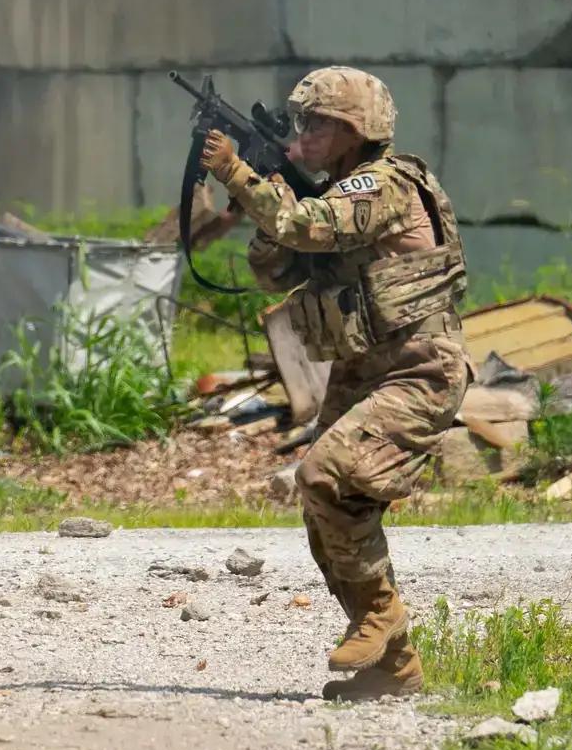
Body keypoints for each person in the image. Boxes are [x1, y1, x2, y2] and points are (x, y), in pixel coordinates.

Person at [198, 68, 470, 702]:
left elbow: (310, 226)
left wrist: (238, 173)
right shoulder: (332, 194)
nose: (305, 135)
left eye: (318, 123)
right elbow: (276, 270)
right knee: (327, 511)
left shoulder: (385, 183)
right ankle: (395, 665)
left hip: (419, 367)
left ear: (356, 128)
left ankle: (380, 618)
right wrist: (265, 206)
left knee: (324, 475)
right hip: (361, 368)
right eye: (302, 123)